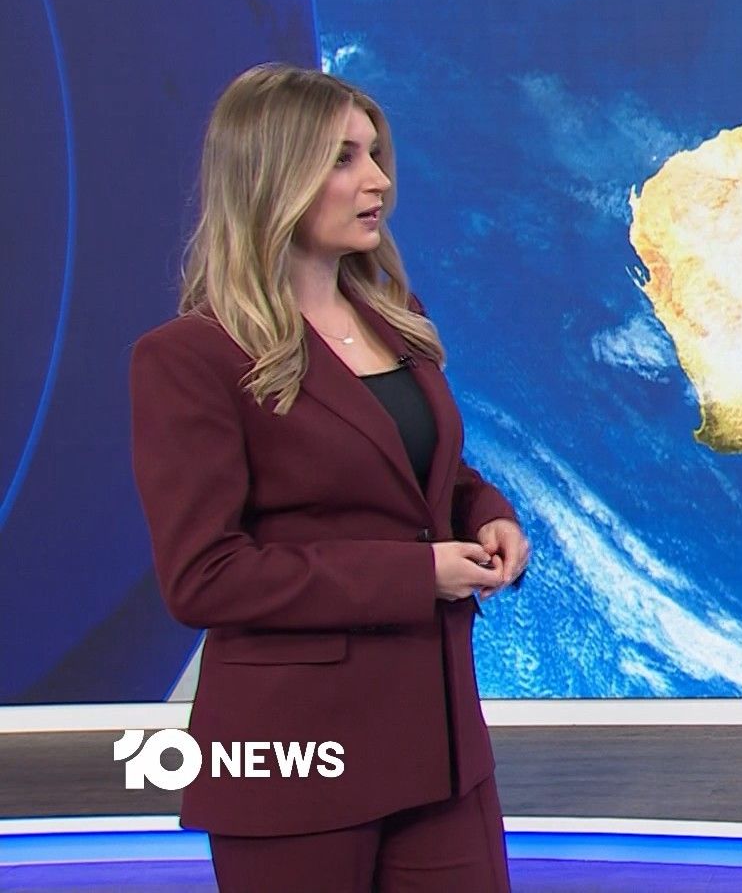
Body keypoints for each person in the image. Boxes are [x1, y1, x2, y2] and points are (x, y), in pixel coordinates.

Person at [128, 63, 530, 891]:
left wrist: (486, 512)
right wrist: (416, 575)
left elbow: (421, 473)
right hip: (295, 757)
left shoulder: (397, 319)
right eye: (343, 158)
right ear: (272, 177)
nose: (377, 179)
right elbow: (205, 576)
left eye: (375, 153)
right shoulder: (190, 359)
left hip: (441, 748)